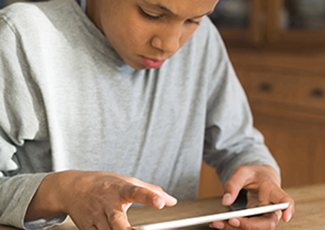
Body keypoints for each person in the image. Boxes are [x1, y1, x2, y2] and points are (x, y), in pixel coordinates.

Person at [0, 0, 295, 229]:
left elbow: (240, 146)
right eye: (152, 14)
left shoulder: (203, 43)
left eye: (194, 19)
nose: (169, 44)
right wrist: (64, 191)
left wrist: (260, 174)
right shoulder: (22, 37)